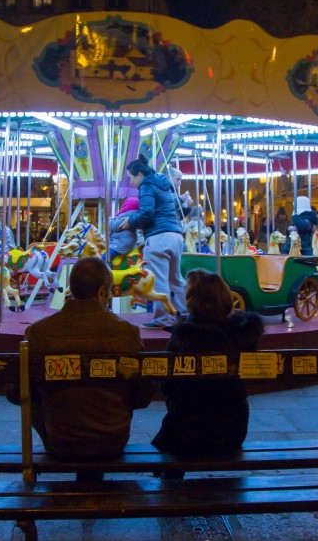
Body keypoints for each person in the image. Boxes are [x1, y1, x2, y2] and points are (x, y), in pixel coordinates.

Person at [20, 257, 153, 460]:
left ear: (72, 289)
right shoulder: (128, 333)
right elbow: (142, 398)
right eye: (109, 292)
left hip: (60, 440)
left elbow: (16, 393)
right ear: (101, 292)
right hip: (112, 440)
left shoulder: (38, 332)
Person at [151, 269, 263, 456]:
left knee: (180, 413)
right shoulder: (244, 335)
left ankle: (170, 475)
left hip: (188, 432)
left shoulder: (183, 338)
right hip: (232, 431)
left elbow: (167, 385)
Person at [118, 155, 188, 328]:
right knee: (176, 278)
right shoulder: (164, 185)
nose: (132, 182)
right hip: (176, 236)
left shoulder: (147, 185)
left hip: (159, 237)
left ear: (139, 174)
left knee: (158, 280)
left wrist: (130, 221)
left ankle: (162, 318)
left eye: (132, 177)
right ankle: (184, 314)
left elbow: (147, 212)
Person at [108, 197, 140, 262]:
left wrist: (109, 219)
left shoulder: (125, 217)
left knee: (106, 257)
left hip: (120, 243)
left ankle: (106, 270)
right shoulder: (134, 216)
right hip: (124, 241)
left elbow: (114, 226)